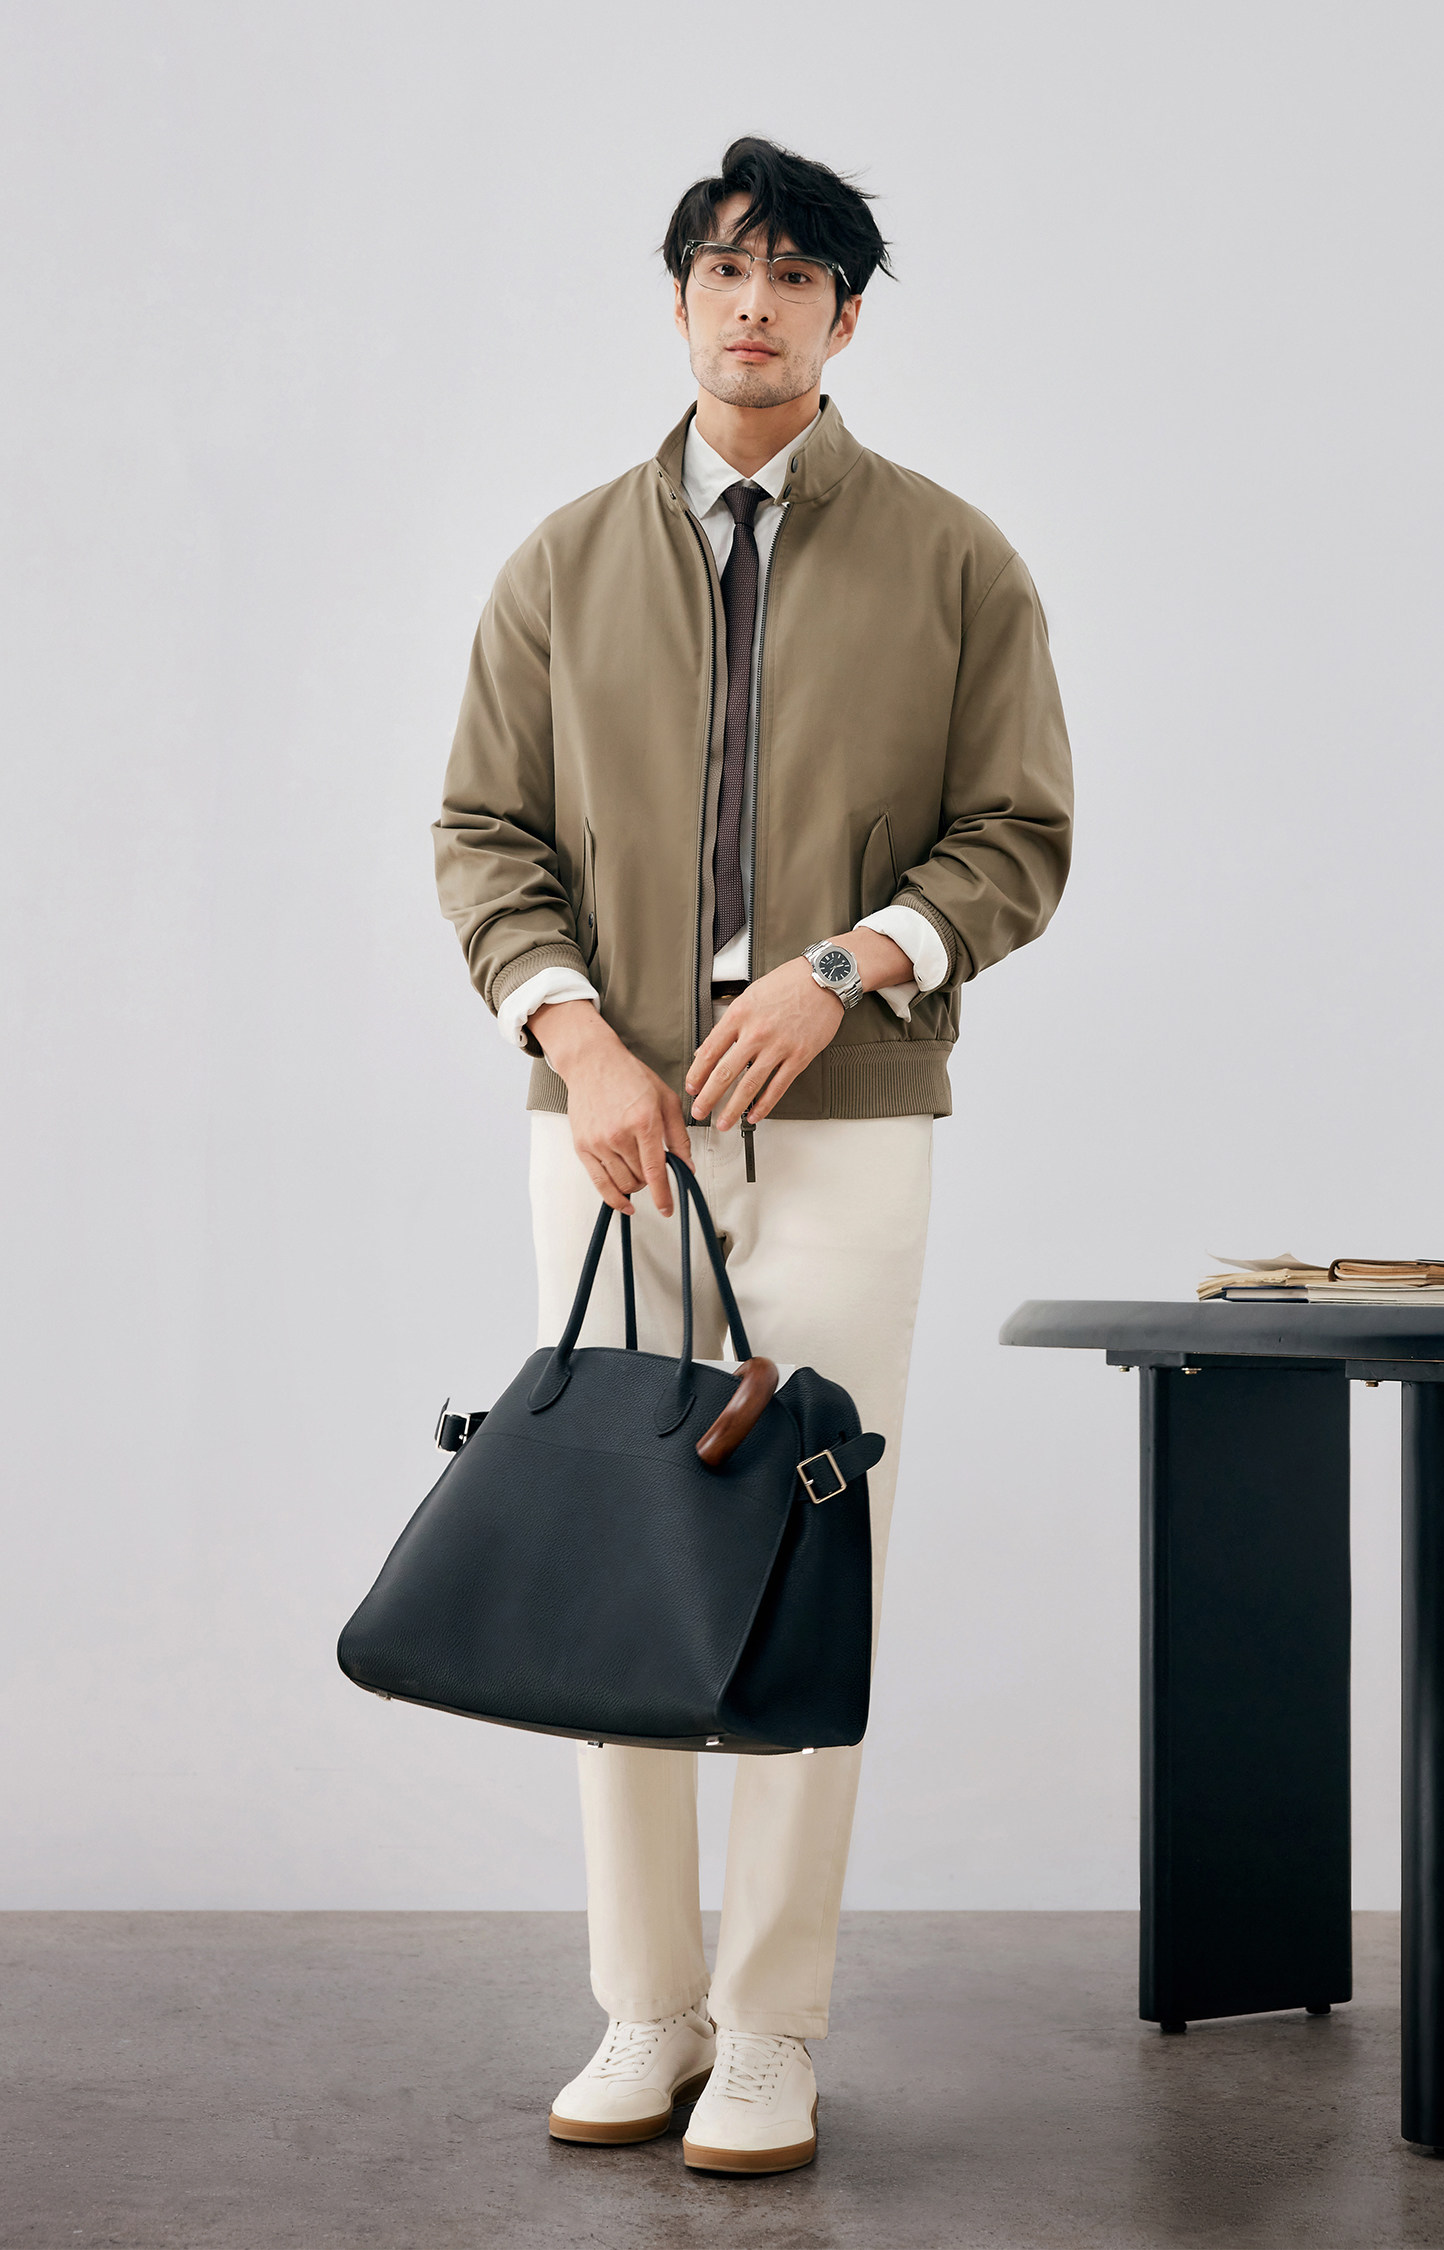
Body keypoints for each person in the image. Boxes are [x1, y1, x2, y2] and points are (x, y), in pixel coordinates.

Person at [433, 134, 1072, 2175]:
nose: (757, 302)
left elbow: (1018, 838)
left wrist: (844, 968)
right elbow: (483, 835)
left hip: (847, 1122)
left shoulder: (956, 560)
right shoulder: (560, 564)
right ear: (681, 300)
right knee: (614, 1544)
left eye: (798, 274)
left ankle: (774, 2025)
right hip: (613, 1133)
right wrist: (576, 1040)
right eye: (727, 267)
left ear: (845, 319)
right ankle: (648, 2004)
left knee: (811, 1548)